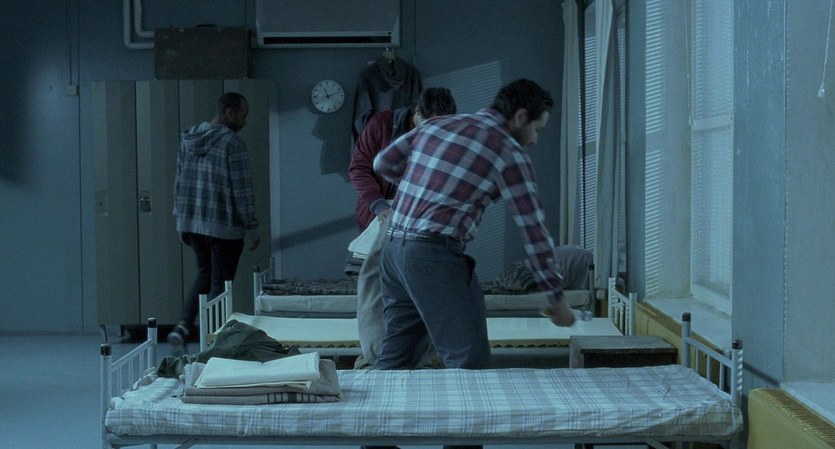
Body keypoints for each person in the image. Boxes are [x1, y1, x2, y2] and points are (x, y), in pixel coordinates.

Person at [374, 77, 576, 369]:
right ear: (520, 117)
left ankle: (380, 399)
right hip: (432, 256)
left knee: (396, 358)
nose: (534, 140)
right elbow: (534, 232)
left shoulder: (437, 125)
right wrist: (557, 298)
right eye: (536, 129)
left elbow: (382, 164)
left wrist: (424, 185)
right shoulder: (509, 152)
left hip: (393, 249)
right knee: (469, 362)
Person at [349, 88, 457, 370]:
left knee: (423, 285)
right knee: (376, 282)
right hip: (381, 212)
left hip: (421, 218)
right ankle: (377, 352)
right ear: (416, 113)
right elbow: (359, 168)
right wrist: (379, 206)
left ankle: (421, 353)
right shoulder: (381, 125)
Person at [167, 91, 260, 355]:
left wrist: (181, 221)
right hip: (224, 226)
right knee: (221, 284)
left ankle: (182, 327)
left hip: (193, 224)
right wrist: (252, 227)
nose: (244, 121)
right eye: (243, 115)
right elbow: (242, 189)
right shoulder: (232, 142)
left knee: (204, 274)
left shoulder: (189, 138)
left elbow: (179, 181)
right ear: (230, 113)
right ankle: (215, 342)